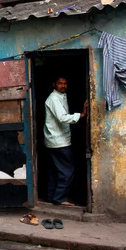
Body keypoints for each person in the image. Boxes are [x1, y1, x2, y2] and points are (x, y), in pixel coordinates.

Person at [44, 76, 88, 206]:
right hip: (58, 141)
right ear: (54, 84)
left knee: (54, 170)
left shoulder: (60, 97)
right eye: (60, 83)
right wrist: (81, 115)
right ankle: (59, 198)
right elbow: (62, 118)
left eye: (65, 83)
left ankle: (52, 197)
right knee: (68, 169)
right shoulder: (54, 99)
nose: (63, 85)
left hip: (55, 140)